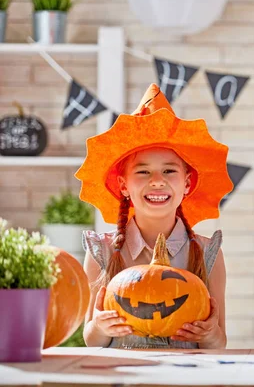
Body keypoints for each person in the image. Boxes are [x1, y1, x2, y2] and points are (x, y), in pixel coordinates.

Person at [76, 84, 233, 349]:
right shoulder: (101, 250)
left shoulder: (208, 253)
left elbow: (219, 342)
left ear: (187, 183)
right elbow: (91, 340)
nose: (157, 181)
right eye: (143, 172)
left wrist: (208, 335)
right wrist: (100, 327)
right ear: (124, 185)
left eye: (169, 171)